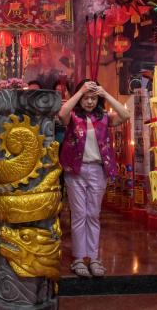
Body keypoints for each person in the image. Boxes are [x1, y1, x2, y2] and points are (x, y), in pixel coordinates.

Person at [58, 79, 129, 277]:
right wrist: (80, 92)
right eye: (86, 98)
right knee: (79, 214)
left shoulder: (104, 117)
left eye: (93, 98)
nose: (89, 102)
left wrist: (105, 93)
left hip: (98, 170)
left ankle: (94, 258)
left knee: (93, 214)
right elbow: (61, 114)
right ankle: (79, 259)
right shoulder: (72, 116)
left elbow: (125, 115)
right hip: (75, 171)